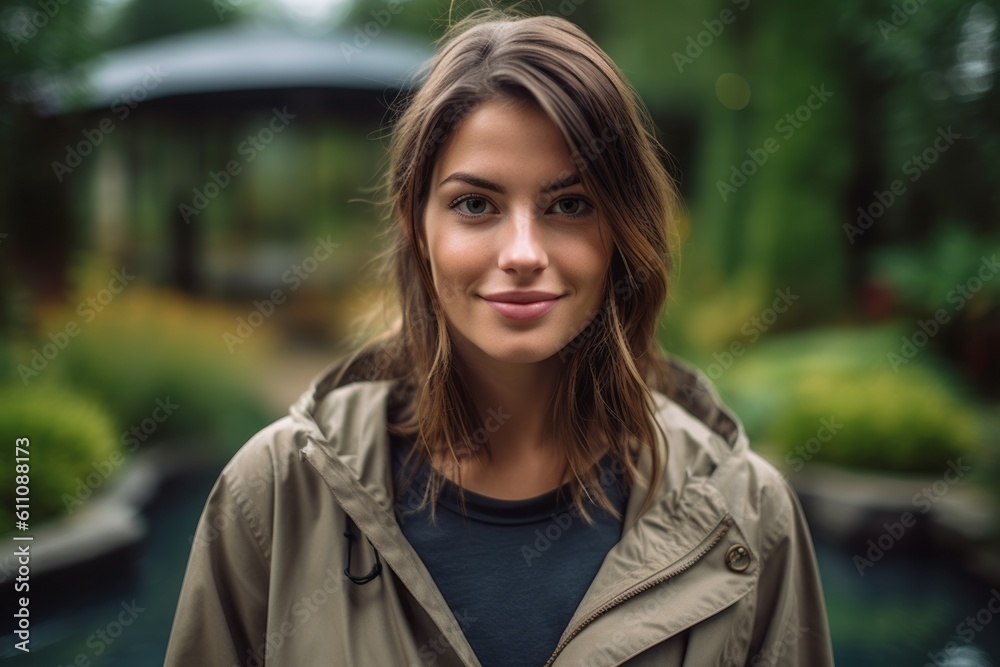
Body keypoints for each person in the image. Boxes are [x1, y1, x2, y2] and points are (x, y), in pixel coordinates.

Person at [164, 8, 835, 667]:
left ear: (623, 232)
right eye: (474, 203)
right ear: (415, 225)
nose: (522, 251)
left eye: (569, 204)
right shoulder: (275, 496)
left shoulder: (746, 515)